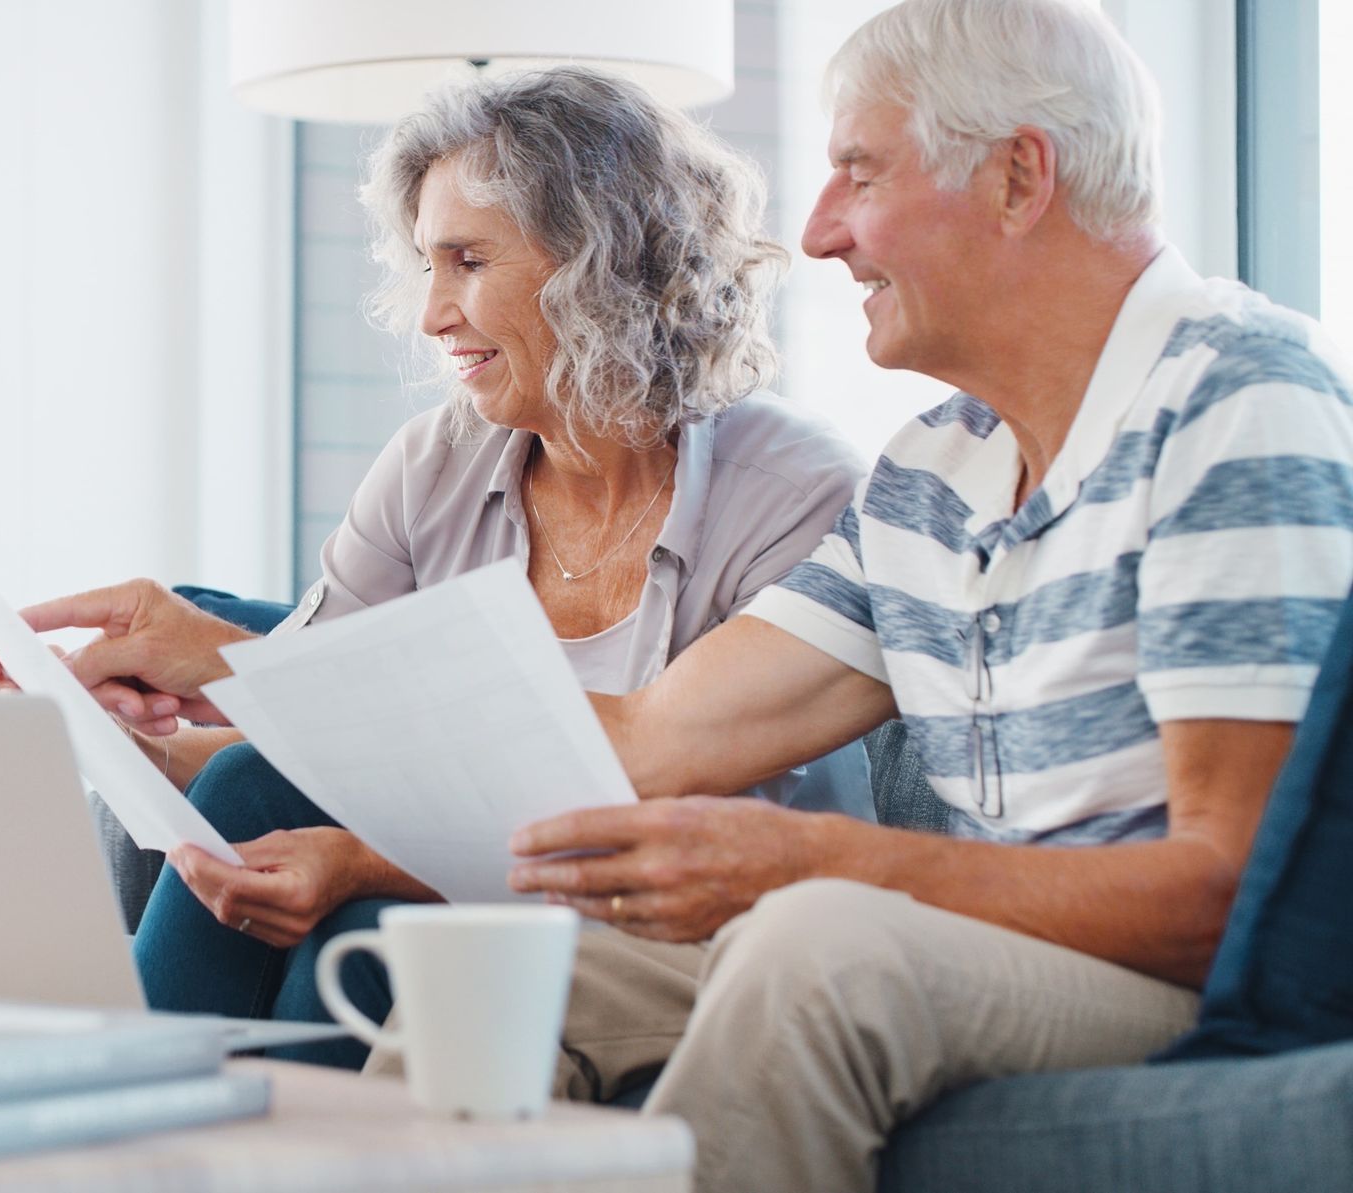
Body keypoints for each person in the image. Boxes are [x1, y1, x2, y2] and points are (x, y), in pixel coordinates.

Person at [486, 1, 1353, 1189]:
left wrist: (817, 862)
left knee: (816, 943)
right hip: (988, 949)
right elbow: (648, 739)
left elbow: (1229, 883)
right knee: (532, 966)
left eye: (858, 172)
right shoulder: (929, 472)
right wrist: (301, 763)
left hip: (1183, 977)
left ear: (1017, 177)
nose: (819, 230)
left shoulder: (1239, 399)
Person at [0, 67, 872, 1067]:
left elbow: (680, 803)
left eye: (468, 262)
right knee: (320, 910)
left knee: (314, 880)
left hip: (680, 912)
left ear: (597, 262)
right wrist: (122, 745)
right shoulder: (435, 464)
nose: (431, 312)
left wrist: (347, 839)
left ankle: (104, 1112)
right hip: (469, 888)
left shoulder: (791, 488)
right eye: (427, 265)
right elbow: (301, 761)